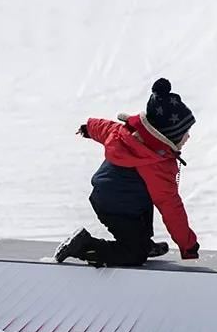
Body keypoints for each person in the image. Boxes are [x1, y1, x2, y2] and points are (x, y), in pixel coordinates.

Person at [55, 78, 200, 265]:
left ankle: (142, 242)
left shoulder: (127, 134)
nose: (188, 137)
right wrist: (187, 245)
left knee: (143, 198)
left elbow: (107, 128)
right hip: (114, 207)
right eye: (184, 133)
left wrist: (89, 128)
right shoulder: (157, 165)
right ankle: (83, 245)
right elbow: (171, 208)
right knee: (133, 255)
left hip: (110, 196)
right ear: (166, 137)